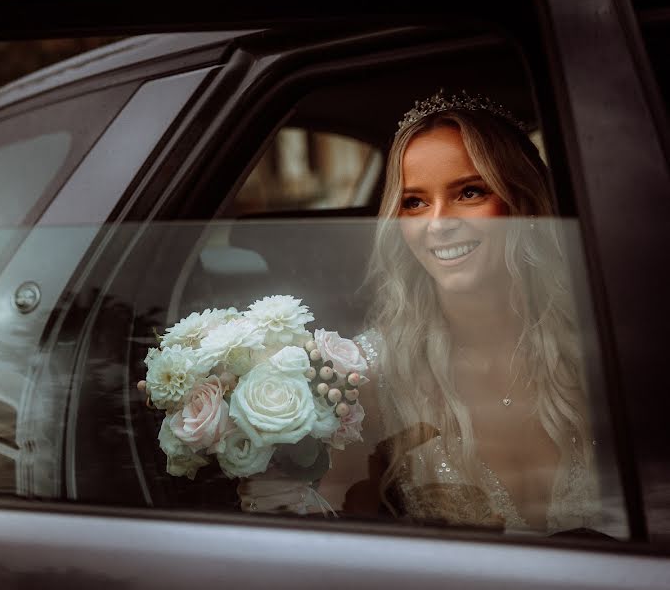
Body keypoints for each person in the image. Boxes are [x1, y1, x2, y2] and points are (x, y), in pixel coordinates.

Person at [243, 91, 601, 534]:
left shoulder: (598, 349)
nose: (437, 223)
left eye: (469, 192)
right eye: (414, 202)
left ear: (521, 204)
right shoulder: (369, 376)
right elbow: (338, 541)